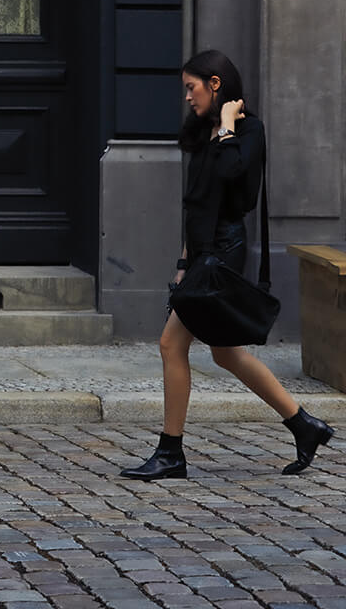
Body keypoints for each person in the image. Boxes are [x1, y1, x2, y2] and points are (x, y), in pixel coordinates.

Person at [121, 49, 334, 480]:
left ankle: (171, 452)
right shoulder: (205, 133)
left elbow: (235, 177)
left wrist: (227, 127)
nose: (187, 97)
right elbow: (197, 205)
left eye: (191, 87)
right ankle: (303, 424)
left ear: (215, 83)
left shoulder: (247, 130)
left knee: (170, 344)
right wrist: (183, 262)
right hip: (202, 253)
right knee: (224, 354)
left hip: (224, 253)